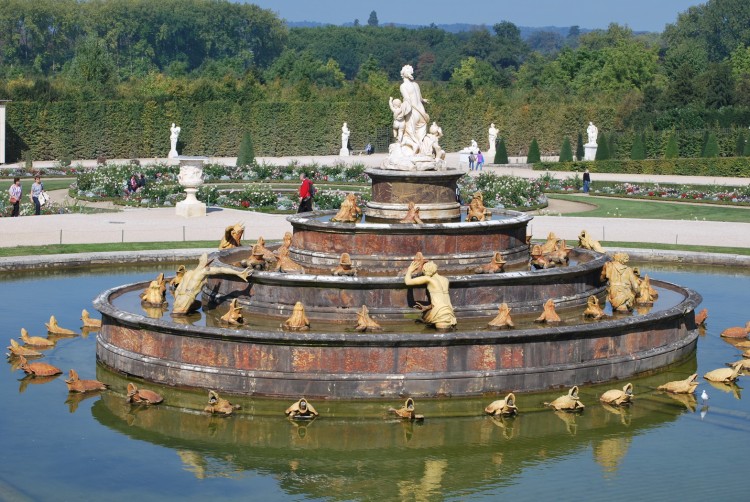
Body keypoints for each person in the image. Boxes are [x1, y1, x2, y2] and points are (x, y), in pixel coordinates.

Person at [404, 260, 457, 329]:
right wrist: (428, 307)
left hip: (440, 314)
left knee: (425, 317)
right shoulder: (445, 280)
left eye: (423, 271)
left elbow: (408, 282)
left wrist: (410, 270)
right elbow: (441, 299)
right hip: (449, 313)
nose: (423, 273)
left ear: (426, 271)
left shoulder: (429, 279)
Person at [398, 64, 430, 155]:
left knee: (409, 133)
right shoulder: (416, 84)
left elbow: (407, 99)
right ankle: (422, 151)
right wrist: (424, 100)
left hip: (413, 111)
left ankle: (415, 148)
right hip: (422, 111)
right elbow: (420, 99)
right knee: (421, 134)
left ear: (403, 74)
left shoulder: (403, 86)